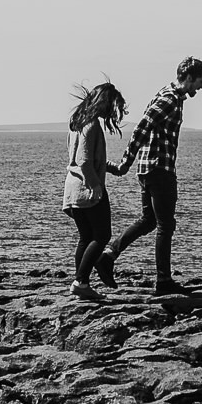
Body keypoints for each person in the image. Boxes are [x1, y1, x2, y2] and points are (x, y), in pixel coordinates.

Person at [99, 57, 202, 296]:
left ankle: (108, 256)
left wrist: (130, 165)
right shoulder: (170, 99)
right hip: (158, 169)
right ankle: (163, 281)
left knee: (149, 221)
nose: (201, 88)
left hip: (150, 168)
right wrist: (123, 165)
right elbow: (142, 127)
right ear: (189, 77)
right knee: (166, 224)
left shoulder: (169, 95)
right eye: (200, 82)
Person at [61, 80, 126, 300]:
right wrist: (95, 185)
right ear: (103, 102)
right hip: (87, 189)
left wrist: (111, 169)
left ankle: (81, 284)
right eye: (111, 104)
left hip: (72, 190)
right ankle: (81, 281)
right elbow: (84, 161)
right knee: (102, 235)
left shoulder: (77, 124)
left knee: (86, 236)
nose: (112, 110)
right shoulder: (92, 125)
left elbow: (85, 159)